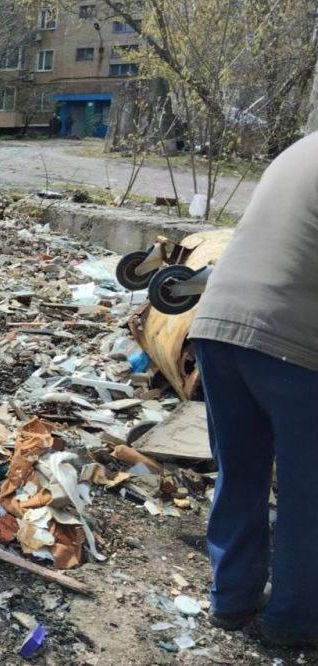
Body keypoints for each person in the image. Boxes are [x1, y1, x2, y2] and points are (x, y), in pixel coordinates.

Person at [188, 131, 318, 646]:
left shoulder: (302, 148)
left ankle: (232, 599)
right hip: (290, 341)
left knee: (241, 472)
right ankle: (297, 618)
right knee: (308, 491)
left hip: (216, 325)